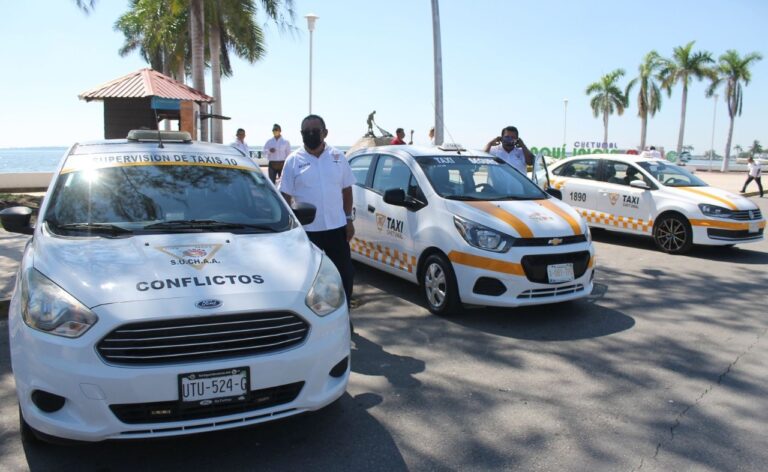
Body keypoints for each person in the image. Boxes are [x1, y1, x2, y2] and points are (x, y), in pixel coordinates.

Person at [279, 114, 356, 306]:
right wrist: (287, 228)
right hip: (307, 232)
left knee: (344, 275)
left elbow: (347, 190)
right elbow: (285, 196)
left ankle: (344, 314)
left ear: (325, 133)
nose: (310, 134)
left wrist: (348, 219)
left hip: (336, 228)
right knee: (307, 279)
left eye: (315, 131)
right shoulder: (293, 161)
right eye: (306, 132)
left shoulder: (338, 157)